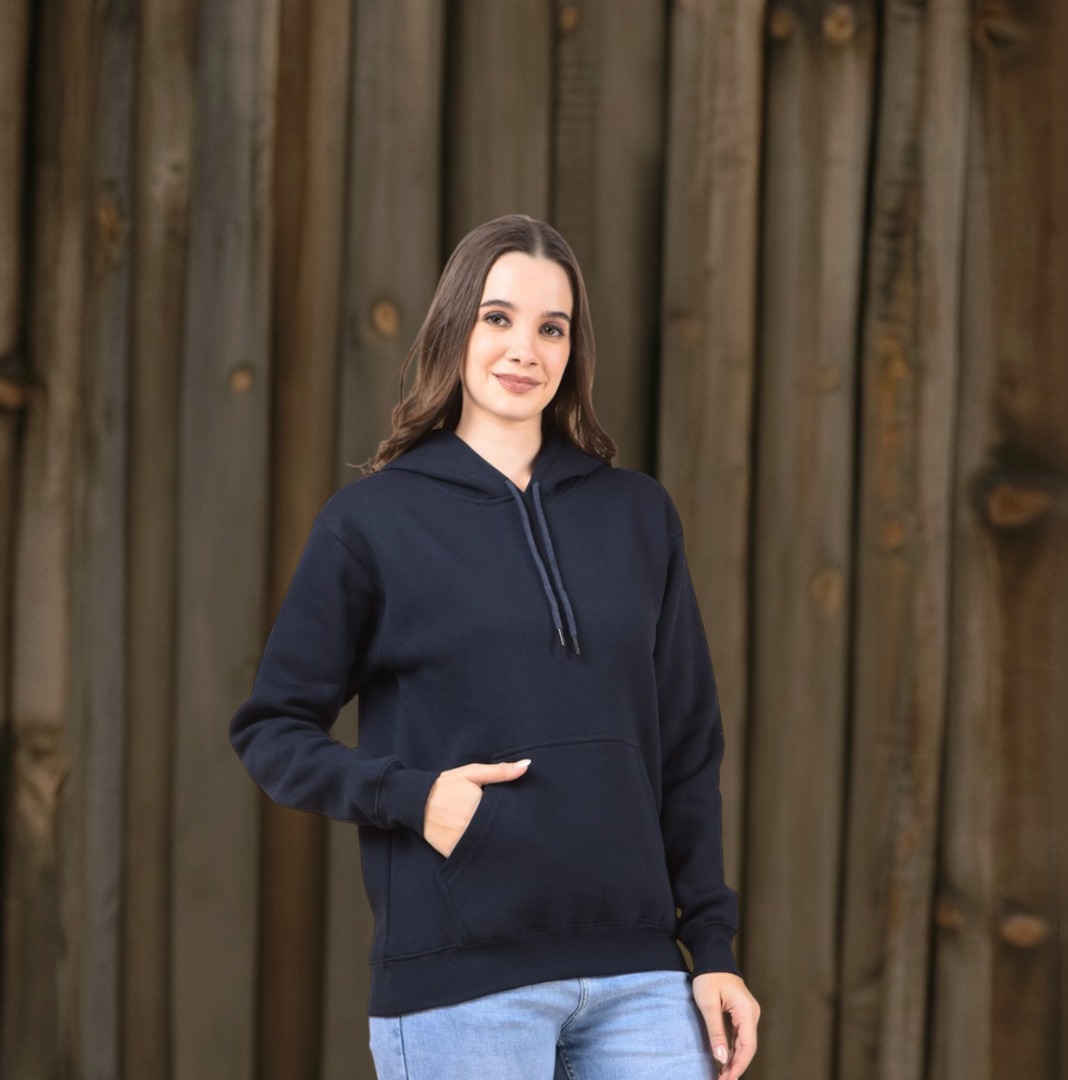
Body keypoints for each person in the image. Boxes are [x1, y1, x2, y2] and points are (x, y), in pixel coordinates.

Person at [230, 214, 760, 1079]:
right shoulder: (373, 524)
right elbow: (271, 730)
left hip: (641, 977)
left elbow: (688, 749)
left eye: (552, 328)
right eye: (498, 318)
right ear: (455, 329)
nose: (524, 350)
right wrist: (414, 797)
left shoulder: (636, 515)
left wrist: (713, 950)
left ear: (573, 351)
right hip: (461, 983)